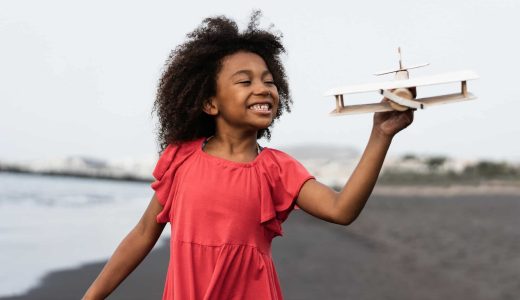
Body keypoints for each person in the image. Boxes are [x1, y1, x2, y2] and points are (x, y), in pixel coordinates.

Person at [83, 11, 413, 300]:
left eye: (269, 81)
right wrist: (93, 296)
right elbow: (143, 233)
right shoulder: (180, 158)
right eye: (245, 81)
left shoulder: (277, 169)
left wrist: (380, 135)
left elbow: (341, 210)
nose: (262, 88)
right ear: (210, 103)